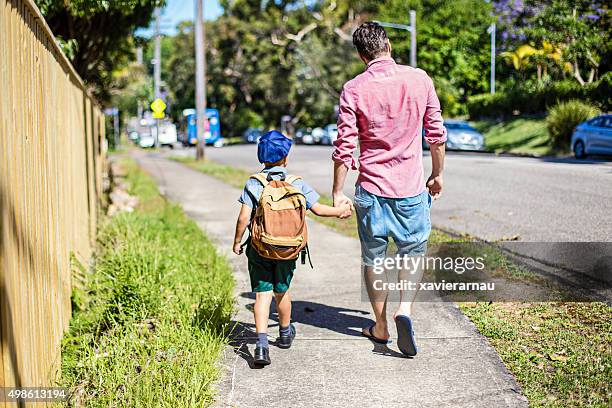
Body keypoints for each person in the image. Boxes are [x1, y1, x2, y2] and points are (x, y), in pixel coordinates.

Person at [331, 22, 447, 357]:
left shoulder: (353, 89)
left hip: (371, 190)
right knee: (411, 254)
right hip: (410, 189)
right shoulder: (419, 79)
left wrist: (338, 192)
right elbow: (436, 136)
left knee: (374, 259)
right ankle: (404, 310)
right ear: (389, 46)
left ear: (360, 54)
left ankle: (380, 325)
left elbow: (344, 147)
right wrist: (437, 174)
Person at [233, 130, 352, 366]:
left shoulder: (254, 183)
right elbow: (318, 209)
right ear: (286, 158)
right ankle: (285, 334)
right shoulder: (296, 183)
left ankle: (261, 345)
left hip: (260, 248)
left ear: (261, 158)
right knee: (282, 292)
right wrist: (341, 211)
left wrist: (237, 241)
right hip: (288, 249)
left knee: (262, 295)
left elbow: (243, 218)